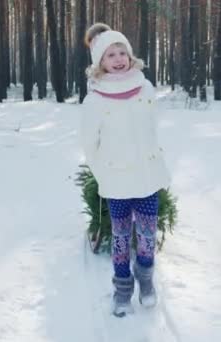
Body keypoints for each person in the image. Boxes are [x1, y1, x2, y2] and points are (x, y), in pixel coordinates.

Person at [80, 23, 171, 317]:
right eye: (110, 55)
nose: (118, 58)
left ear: (130, 56)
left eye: (122, 52)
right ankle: (122, 290)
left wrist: (153, 158)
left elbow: (152, 129)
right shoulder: (94, 100)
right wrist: (103, 175)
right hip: (117, 182)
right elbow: (89, 145)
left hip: (147, 179)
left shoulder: (145, 88)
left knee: (146, 236)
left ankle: (146, 281)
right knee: (120, 239)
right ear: (99, 64)